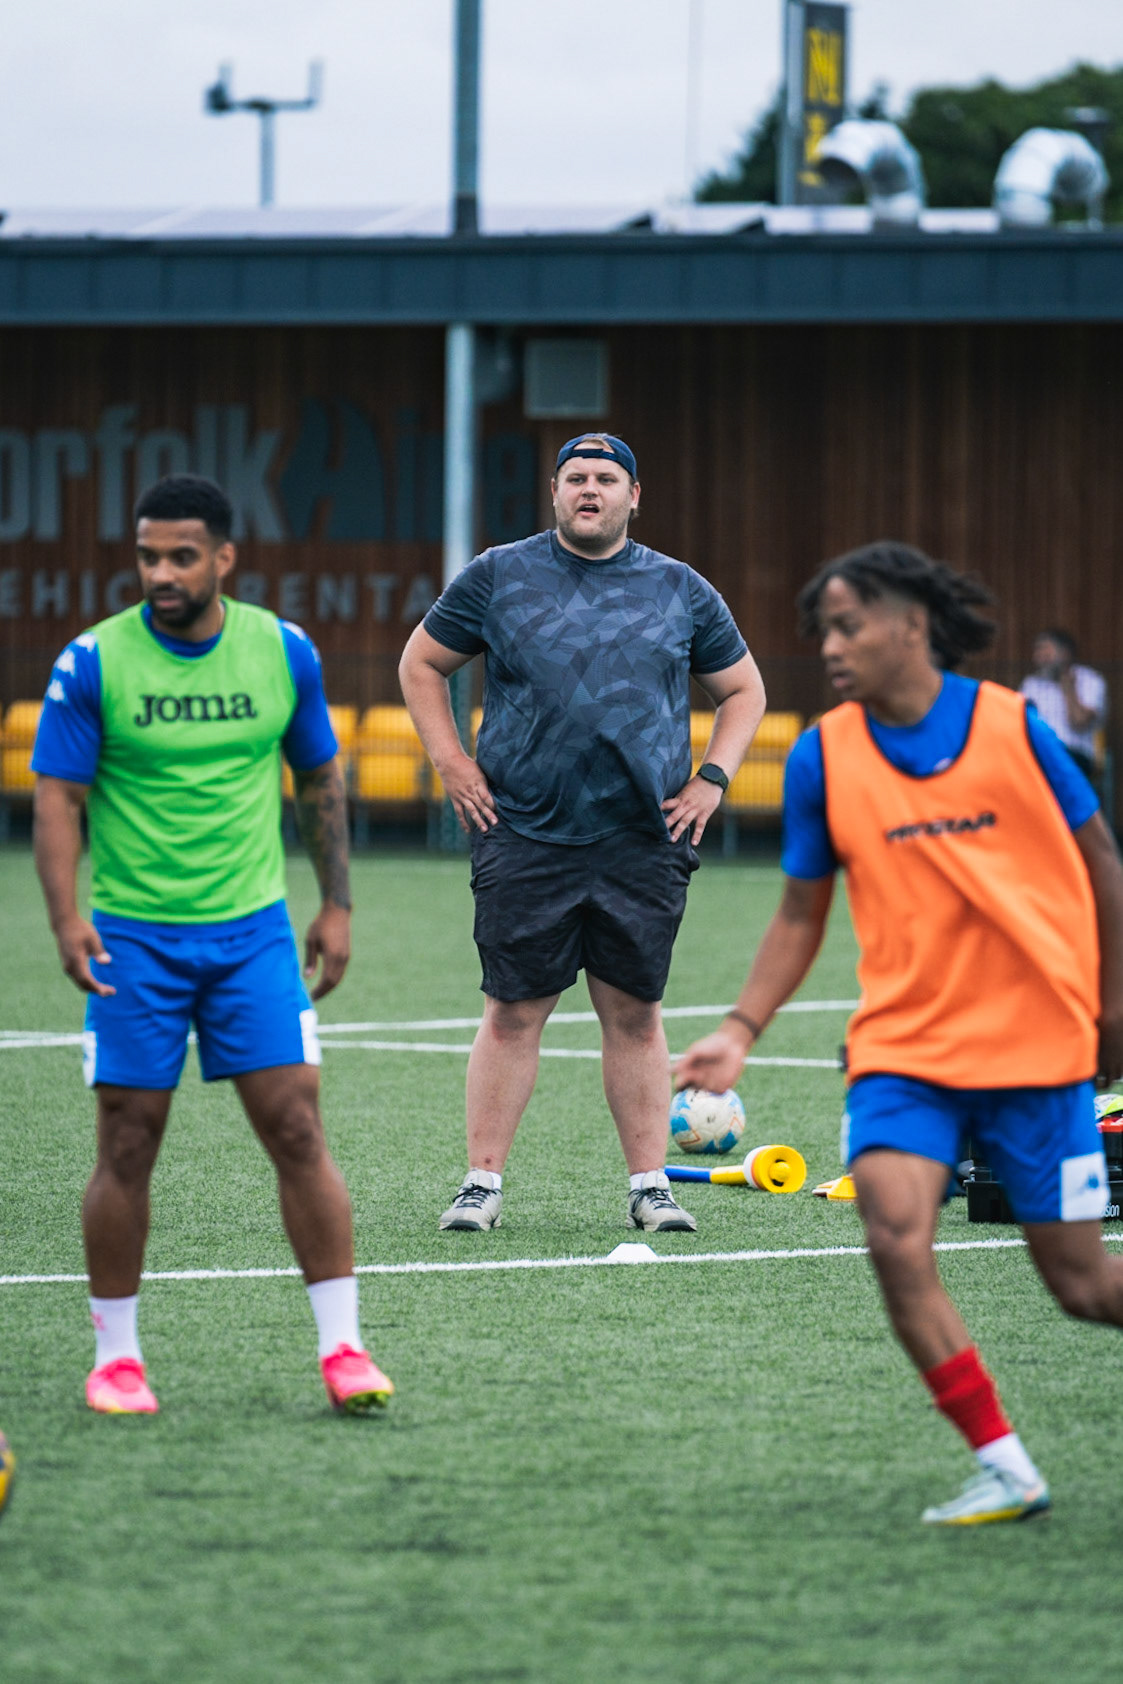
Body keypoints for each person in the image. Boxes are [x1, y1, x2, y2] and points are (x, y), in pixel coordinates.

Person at [676, 539, 1123, 1526]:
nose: (830, 648)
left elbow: (1100, 859)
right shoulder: (820, 755)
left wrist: (1114, 1004)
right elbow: (800, 913)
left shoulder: (1011, 725)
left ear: (911, 624)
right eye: (822, 632)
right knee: (892, 1235)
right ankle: (1005, 1465)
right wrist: (740, 1028)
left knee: (1085, 1287)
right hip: (903, 1051)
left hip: (1035, 1043)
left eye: (848, 626)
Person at [32, 474, 393, 1416]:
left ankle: (345, 1349)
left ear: (224, 559)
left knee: (298, 1128)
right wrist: (67, 919)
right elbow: (58, 797)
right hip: (134, 941)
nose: (161, 573)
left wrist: (337, 905)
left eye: (182, 556)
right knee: (127, 1140)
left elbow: (319, 776)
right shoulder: (92, 662)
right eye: (147, 556)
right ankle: (117, 1360)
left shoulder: (282, 650)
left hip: (252, 938)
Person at [399, 432, 765, 1234]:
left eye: (605, 478)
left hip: (642, 836)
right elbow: (420, 664)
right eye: (575, 478)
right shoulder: (499, 574)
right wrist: (450, 761)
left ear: (634, 496)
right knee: (511, 1011)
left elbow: (742, 689)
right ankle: (481, 1185)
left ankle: (649, 1187)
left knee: (634, 1014)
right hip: (524, 830)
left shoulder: (680, 588)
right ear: (555, 492)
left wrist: (711, 778)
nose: (589, 489)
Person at [1020, 628, 1106, 783]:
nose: (1038, 656)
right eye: (1037, 651)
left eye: (1045, 650)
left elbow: (1079, 722)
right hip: (1039, 752)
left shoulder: (1090, 680)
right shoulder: (1031, 684)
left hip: (1076, 755)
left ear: (1065, 653)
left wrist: (1069, 689)